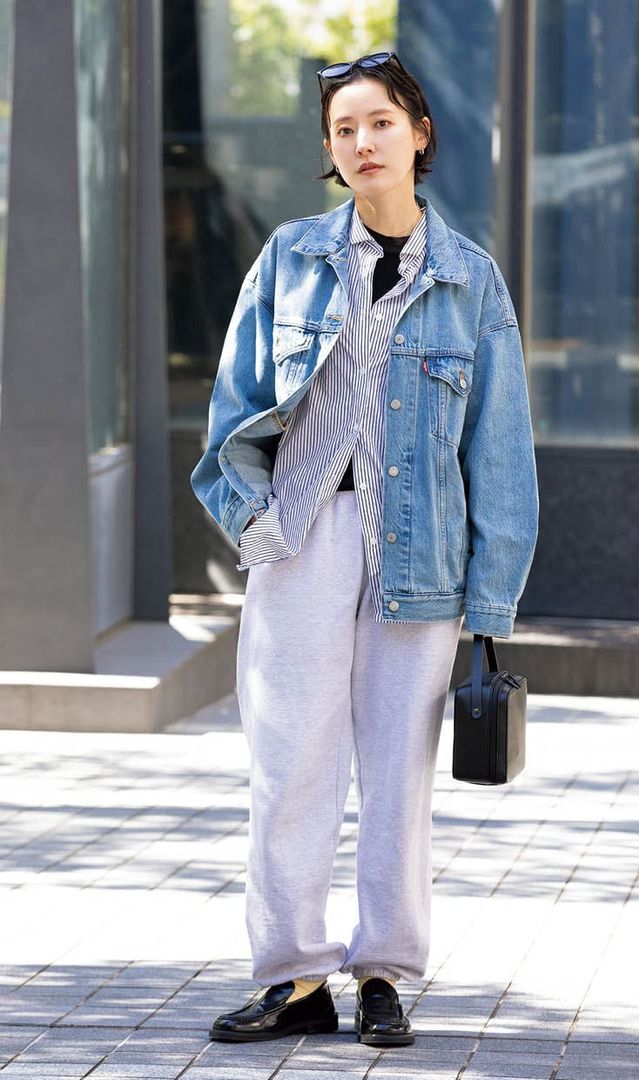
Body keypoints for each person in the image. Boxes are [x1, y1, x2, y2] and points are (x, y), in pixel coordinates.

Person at [190, 50, 539, 1047]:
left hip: (420, 554)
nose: (362, 142)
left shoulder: (471, 280)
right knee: (288, 763)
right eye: (344, 129)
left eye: (380, 122)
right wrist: (257, 526)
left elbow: (500, 452)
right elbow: (231, 411)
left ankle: (384, 972)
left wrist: (490, 599)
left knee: (397, 776)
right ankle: (295, 977)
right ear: (331, 151)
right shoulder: (290, 259)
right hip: (303, 541)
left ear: (419, 135)